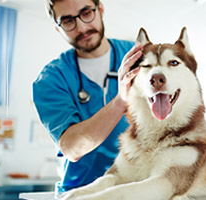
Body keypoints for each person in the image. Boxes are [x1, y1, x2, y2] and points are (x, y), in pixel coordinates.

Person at [32, 0, 142, 196]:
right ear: (58, 28)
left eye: (86, 13)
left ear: (100, 9)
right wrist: (120, 101)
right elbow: (72, 148)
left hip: (136, 187)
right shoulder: (51, 78)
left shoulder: (137, 56)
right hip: (81, 192)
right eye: (67, 21)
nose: (81, 27)